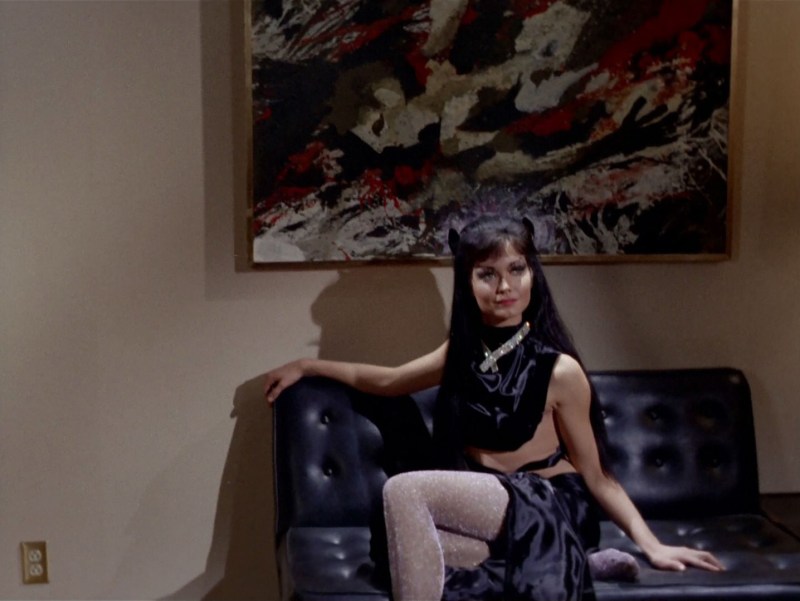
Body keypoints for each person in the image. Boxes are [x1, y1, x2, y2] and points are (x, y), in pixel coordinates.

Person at [264, 215, 724, 600]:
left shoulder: (559, 370)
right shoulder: (460, 354)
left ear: (532, 274)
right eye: (487, 274)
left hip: (549, 502)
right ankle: (571, 560)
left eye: (517, 269)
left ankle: (562, 549)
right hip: (494, 512)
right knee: (397, 540)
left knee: (403, 492)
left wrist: (653, 546)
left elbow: (598, 474)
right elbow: (388, 381)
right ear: (467, 282)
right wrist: (308, 365)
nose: (505, 286)